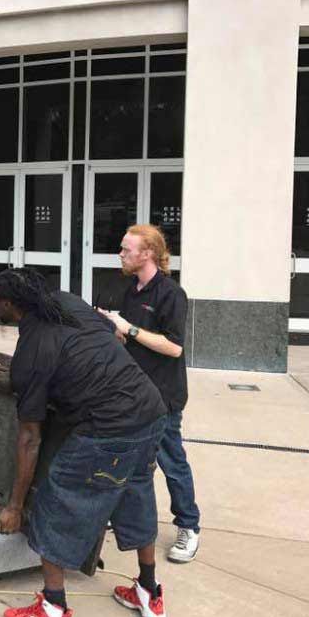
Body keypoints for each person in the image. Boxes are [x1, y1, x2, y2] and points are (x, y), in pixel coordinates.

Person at [0, 268, 169, 617]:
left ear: (8, 304)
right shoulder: (67, 302)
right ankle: (149, 592)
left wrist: (14, 506)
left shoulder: (30, 352)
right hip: (150, 410)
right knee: (136, 494)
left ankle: (53, 605)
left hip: (108, 427)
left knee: (56, 503)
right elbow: (114, 335)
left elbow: (30, 438)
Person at [100, 224, 201, 564]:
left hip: (163, 396)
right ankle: (123, 518)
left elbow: (173, 347)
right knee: (129, 459)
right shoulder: (130, 289)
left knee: (171, 462)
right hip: (132, 392)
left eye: (127, 249)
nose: (121, 254)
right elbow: (133, 339)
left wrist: (127, 327)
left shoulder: (171, 294)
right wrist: (113, 330)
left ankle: (189, 526)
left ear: (148, 254)